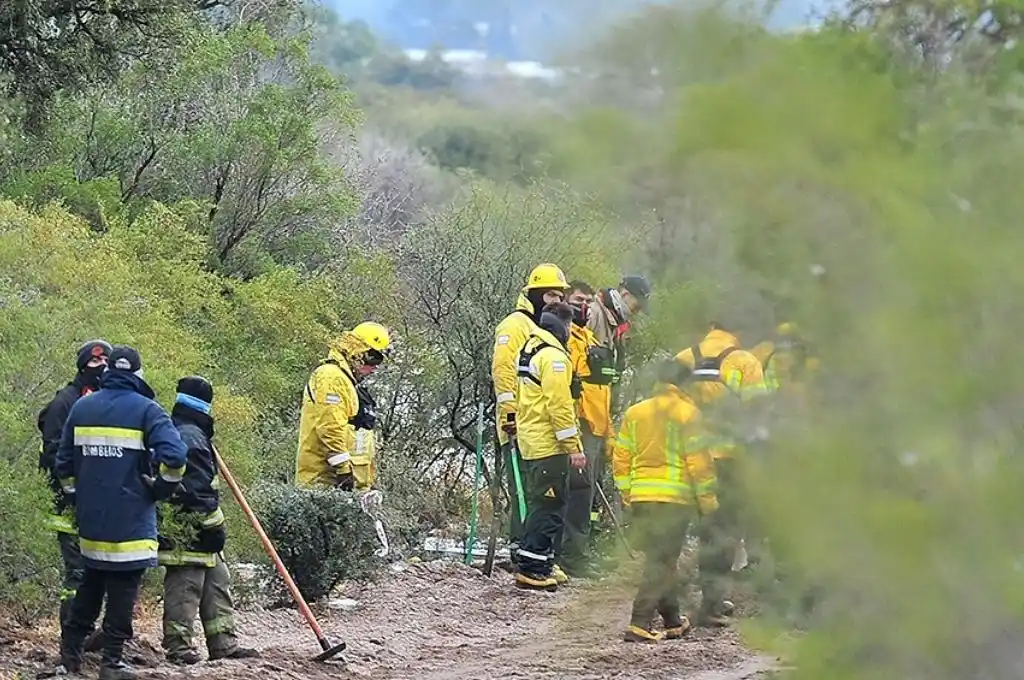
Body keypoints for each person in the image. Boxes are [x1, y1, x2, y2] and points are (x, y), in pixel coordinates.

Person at [55, 345, 188, 680]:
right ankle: (111, 662)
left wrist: (77, 497)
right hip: (131, 523)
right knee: (123, 593)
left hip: (92, 521)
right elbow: (175, 458)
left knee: (90, 583)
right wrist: (161, 488)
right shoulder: (148, 411)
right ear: (138, 374)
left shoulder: (82, 407)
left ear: (108, 371)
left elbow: (63, 464)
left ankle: (68, 658)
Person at [613, 360, 730, 641]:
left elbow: (620, 458)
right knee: (661, 561)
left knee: (662, 558)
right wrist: (708, 502)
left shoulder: (635, 412)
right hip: (674, 500)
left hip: (642, 498)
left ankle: (673, 620)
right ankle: (639, 622)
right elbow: (699, 464)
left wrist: (629, 496)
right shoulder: (688, 414)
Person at [674, 320, 769, 626]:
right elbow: (758, 414)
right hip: (728, 459)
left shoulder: (683, 358)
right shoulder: (745, 361)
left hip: (687, 456)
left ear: (711, 325)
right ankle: (711, 603)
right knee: (723, 528)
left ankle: (668, 601)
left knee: (680, 528)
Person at [159, 376, 259, 665]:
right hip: (187, 529)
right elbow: (198, 492)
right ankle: (178, 648)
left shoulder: (192, 433)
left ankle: (224, 644)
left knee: (217, 583)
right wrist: (213, 526)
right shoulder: (190, 438)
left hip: (201, 530)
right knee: (185, 587)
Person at [490, 264, 570, 564]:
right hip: (518, 424)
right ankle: (521, 552)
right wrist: (509, 412)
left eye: (559, 295)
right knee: (524, 490)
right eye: (550, 294)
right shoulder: (516, 325)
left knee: (540, 493)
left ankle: (536, 553)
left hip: (535, 425)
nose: (555, 300)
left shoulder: (542, 327)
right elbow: (503, 368)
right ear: (535, 294)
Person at [37, 339, 111, 640]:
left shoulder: (106, 400)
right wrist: (73, 491)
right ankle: (72, 634)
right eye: (95, 362)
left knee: (100, 572)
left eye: (106, 361)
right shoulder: (65, 402)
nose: (101, 367)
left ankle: (91, 631)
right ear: (83, 366)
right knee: (77, 572)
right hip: (69, 507)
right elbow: (54, 457)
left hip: (99, 505)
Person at [512, 302, 586, 591]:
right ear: (563, 326)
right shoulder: (554, 357)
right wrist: (574, 447)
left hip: (531, 440)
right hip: (548, 444)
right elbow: (559, 406)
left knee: (539, 504)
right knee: (550, 506)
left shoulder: (529, 349)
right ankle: (533, 569)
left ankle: (541, 561)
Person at [295, 322, 390, 498]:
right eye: (373, 358)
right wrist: (343, 469)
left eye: (379, 360)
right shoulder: (332, 376)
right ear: (358, 353)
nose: (374, 367)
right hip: (324, 484)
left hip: (341, 486)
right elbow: (330, 427)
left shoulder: (345, 381)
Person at [559, 281, 614, 577]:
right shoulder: (565, 340)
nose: (584, 306)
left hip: (595, 425)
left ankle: (581, 552)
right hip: (577, 424)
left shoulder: (590, 339)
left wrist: (609, 431)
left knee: (586, 493)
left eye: (589, 301)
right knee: (576, 491)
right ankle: (571, 557)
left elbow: (602, 389)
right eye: (579, 300)